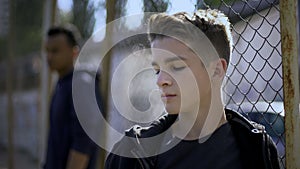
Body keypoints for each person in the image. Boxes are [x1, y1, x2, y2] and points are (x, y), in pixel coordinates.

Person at [104, 9, 281, 169]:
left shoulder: (257, 147)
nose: (161, 81)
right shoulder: (132, 151)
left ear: (216, 71)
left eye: (176, 66)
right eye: (157, 70)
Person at [44, 26, 103, 169]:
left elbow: (83, 142)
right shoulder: (63, 83)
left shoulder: (81, 83)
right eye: (47, 51)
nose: (49, 56)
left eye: (55, 51)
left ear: (74, 52)